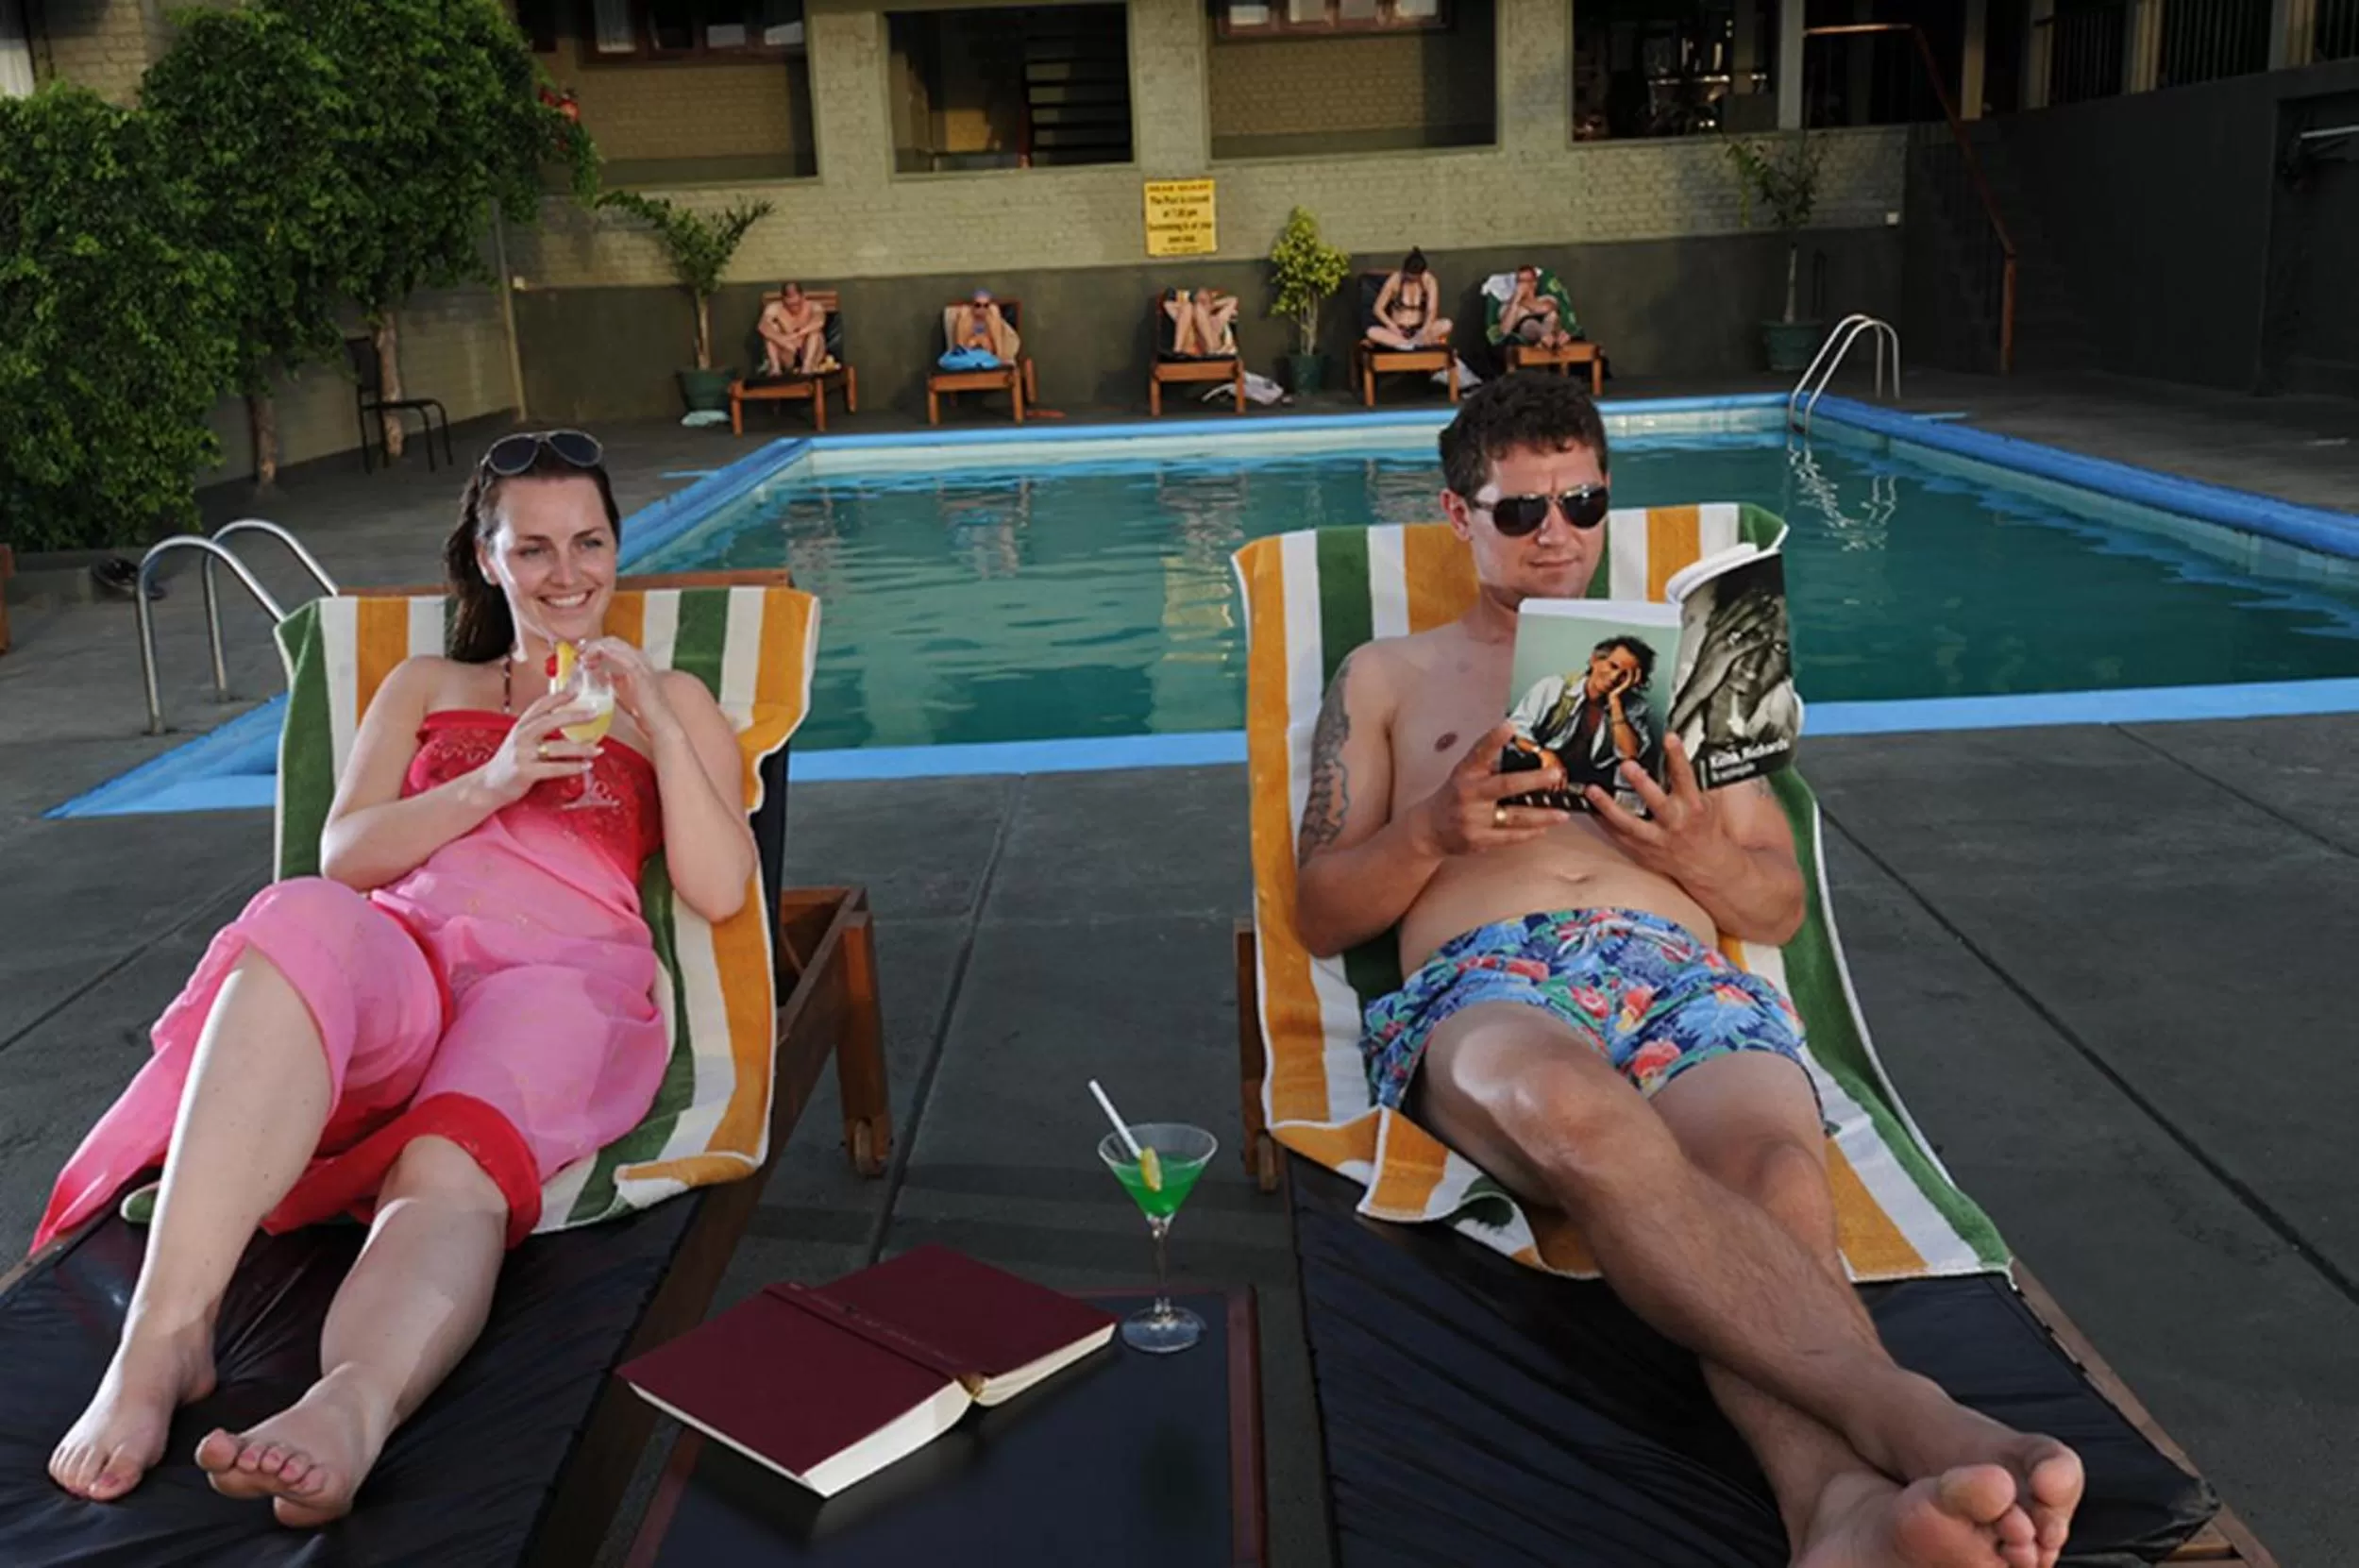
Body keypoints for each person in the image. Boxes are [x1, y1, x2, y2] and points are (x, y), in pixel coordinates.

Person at [1291, 373, 2083, 1568]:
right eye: (1521, 510)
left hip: (1672, 967)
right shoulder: (1386, 675)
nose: (1556, 533)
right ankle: (1908, 1410)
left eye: (1582, 501)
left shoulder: (1694, 668)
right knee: (1580, 1116)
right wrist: (1434, 831)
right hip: (1492, 978)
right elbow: (1319, 911)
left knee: (1775, 1171)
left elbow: (1776, 902)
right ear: (1459, 515)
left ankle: (1836, 1510)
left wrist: (1692, 848)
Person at [41, 430, 756, 1526]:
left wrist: (655, 719)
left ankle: (350, 1403)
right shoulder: (428, 683)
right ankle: (163, 1338)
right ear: (486, 558)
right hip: (408, 962)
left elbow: (717, 885)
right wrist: (496, 777)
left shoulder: (677, 702)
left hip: (558, 978)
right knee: (301, 915)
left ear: (618, 548)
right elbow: (347, 853)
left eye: (589, 542)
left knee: (450, 1152)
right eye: (533, 548)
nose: (567, 573)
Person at [1505, 633, 1660, 805]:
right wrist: (1543, 754)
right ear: (1594, 660)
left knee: (1633, 781)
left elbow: (1630, 755)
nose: (1615, 677)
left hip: (1589, 781)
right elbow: (1515, 729)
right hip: (1540, 768)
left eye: (1625, 675)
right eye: (1613, 666)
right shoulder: (1555, 687)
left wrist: (1615, 703)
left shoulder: (1633, 707)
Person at [1369, 248, 1453, 351]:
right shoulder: (1395, 279)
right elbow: (1378, 308)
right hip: (1398, 331)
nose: (1412, 281)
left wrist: (1424, 331)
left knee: (1446, 324)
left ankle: (1413, 344)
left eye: (1415, 279)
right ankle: (1408, 345)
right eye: (1409, 278)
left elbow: (1432, 310)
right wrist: (1392, 326)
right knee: (1372, 332)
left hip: (1420, 331)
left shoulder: (1429, 281)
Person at [757, 281, 834, 378]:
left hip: (809, 349)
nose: (794, 308)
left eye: (797, 304)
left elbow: (819, 321)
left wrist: (797, 334)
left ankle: (807, 367)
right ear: (783, 300)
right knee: (772, 330)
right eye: (790, 305)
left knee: (815, 332)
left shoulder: (813, 306)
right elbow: (762, 326)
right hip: (787, 351)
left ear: (802, 297)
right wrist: (782, 340)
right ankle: (775, 368)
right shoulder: (774, 308)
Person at [1497, 264, 1575, 352]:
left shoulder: (1546, 298)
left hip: (1549, 326)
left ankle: (1548, 341)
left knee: (1553, 315)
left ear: (1535, 283)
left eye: (1527, 281)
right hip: (1527, 331)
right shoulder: (1509, 306)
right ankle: (1548, 340)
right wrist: (1516, 299)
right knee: (1529, 323)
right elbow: (1505, 331)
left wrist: (1523, 302)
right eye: (1520, 281)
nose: (1523, 285)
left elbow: (1545, 309)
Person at [941, 289, 1019, 371]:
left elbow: (998, 343)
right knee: (972, 342)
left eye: (985, 306)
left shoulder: (993, 314)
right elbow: (960, 346)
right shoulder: (965, 316)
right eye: (978, 305)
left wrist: (999, 357)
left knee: (985, 342)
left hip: (988, 352)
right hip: (970, 352)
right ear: (972, 305)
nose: (982, 309)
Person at [1161, 286, 1238, 359]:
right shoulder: (1185, 319)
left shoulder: (1215, 320)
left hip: (1211, 351)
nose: (1200, 306)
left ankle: (1211, 349)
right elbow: (1167, 305)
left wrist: (1213, 305)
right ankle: (1177, 350)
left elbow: (1233, 300)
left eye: (1204, 302)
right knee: (1187, 308)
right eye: (1198, 302)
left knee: (1199, 312)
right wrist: (1191, 306)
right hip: (1187, 354)